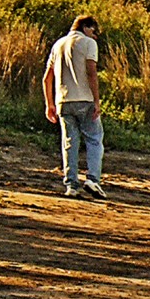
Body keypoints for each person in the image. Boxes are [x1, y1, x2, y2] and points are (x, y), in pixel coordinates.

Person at [43, 15, 105, 198]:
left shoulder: (58, 44)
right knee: (94, 139)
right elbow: (91, 72)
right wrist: (96, 101)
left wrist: (49, 104)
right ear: (86, 27)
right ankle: (93, 179)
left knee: (69, 143)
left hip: (63, 101)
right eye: (94, 31)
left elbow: (47, 77)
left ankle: (71, 185)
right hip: (84, 99)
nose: (95, 36)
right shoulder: (88, 44)